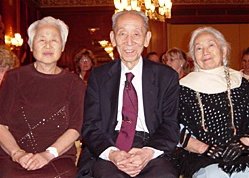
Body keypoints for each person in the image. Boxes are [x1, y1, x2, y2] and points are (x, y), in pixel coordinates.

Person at [77, 10, 179, 178]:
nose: (129, 42)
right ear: (112, 38)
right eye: (122, 33)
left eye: (136, 34)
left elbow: (170, 124)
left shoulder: (166, 77)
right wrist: (112, 154)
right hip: (110, 145)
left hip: (151, 146)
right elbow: (91, 125)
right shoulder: (98, 76)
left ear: (146, 39)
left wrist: (147, 153)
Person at [0, 16, 85, 177]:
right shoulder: (14, 78)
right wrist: (17, 154)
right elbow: (1, 124)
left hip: (57, 158)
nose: (48, 45)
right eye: (41, 40)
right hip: (13, 158)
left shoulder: (74, 83)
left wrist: (48, 154)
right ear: (31, 45)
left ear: (62, 46)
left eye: (54, 40)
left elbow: (75, 128)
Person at [174, 26, 249, 178]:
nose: (205, 52)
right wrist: (204, 148)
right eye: (199, 48)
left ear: (223, 50)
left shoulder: (242, 83)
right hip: (202, 159)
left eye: (211, 45)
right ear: (193, 56)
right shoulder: (181, 88)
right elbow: (173, 129)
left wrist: (244, 142)